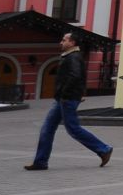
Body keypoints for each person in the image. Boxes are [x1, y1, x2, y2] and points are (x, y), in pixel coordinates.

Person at [24, 33, 113, 171]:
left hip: (67, 98)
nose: (61, 42)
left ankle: (103, 149)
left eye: (64, 40)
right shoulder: (71, 56)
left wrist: (66, 94)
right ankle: (40, 162)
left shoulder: (73, 57)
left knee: (73, 128)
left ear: (72, 43)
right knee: (47, 128)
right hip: (64, 98)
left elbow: (75, 76)